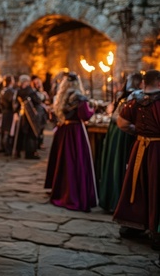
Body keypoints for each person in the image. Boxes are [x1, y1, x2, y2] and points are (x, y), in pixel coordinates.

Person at [113, 69, 160, 249]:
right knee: (155, 186)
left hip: (140, 148)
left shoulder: (134, 101)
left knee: (138, 184)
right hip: (157, 150)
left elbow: (121, 122)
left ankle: (135, 223)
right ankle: (155, 229)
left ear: (143, 83)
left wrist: (138, 132)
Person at [44, 72, 97, 212]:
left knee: (64, 163)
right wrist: (93, 109)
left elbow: (54, 115)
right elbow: (85, 116)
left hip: (63, 131)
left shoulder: (60, 97)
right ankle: (73, 196)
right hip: (75, 132)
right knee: (76, 163)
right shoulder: (79, 97)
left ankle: (62, 192)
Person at [98, 72, 143, 213]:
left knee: (115, 164)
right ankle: (117, 201)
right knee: (119, 164)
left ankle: (112, 200)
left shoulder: (124, 96)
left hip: (117, 132)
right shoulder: (134, 98)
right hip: (123, 135)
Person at [15, 74, 43, 159]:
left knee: (23, 133)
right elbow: (37, 101)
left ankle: (18, 151)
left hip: (22, 115)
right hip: (30, 115)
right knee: (31, 134)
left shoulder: (19, 91)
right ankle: (30, 153)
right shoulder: (30, 91)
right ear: (26, 82)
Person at [0, 75, 18, 155]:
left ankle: (4, 148)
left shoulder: (3, 90)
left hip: (5, 112)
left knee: (5, 131)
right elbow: (12, 103)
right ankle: (7, 149)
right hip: (9, 113)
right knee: (8, 131)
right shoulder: (10, 91)